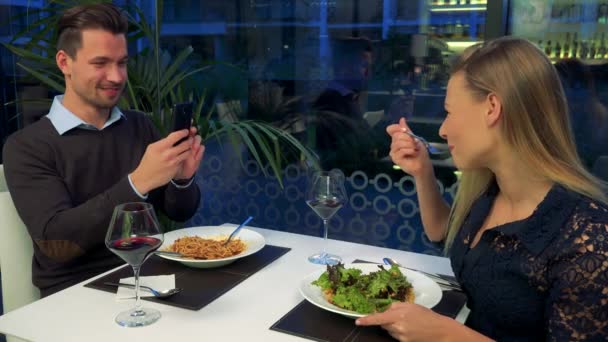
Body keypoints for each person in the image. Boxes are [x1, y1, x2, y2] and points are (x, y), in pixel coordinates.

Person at [357, 37, 608, 340]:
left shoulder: (588, 239)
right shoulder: (489, 191)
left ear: (492, 107)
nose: (442, 129)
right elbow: (443, 234)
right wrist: (422, 172)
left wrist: (446, 335)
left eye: (449, 111)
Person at [2, 3, 204, 297]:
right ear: (64, 62)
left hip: (147, 282)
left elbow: (179, 211)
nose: (117, 76)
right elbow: (58, 243)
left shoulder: (139, 125)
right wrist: (138, 183)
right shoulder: (26, 147)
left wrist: (181, 180)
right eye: (100, 63)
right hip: (74, 297)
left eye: (121, 63)